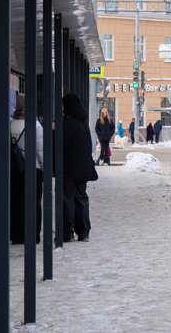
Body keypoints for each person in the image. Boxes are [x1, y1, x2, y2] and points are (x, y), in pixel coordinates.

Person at [9, 94, 44, 244]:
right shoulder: (35, 125)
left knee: (16, 203)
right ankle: (32, 234)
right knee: (34, 202)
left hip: (15, 169)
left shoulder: (10, 125)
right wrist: (45, 168)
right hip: (32, 169)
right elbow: (40, 151)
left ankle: (17, 235)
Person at [62, 93, 96, 242]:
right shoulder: (83, 123)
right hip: (83, 168)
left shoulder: (68, 123)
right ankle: (84, 232)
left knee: (68, 199)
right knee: (82, 198)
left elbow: (62, 145)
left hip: (69, 168)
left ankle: (68, 232)